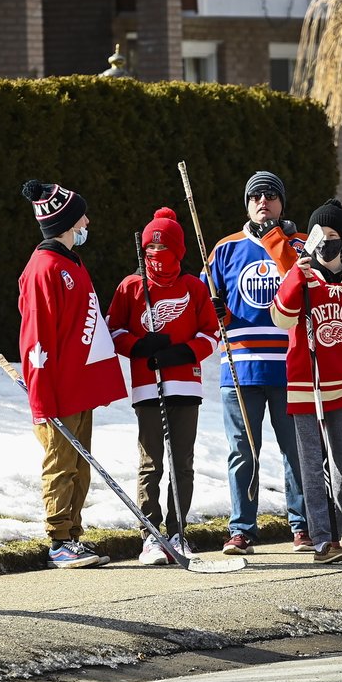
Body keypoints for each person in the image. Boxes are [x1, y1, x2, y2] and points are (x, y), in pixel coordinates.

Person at [18, 179, 128, 569]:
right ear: (64, 221)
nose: (87, 221)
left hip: (78, 385)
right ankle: (58, 539)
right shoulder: (44, 269)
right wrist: (41, 394)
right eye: (81, 215)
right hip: (57, 388)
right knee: (61, 462)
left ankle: (73, 535)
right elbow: (36, 335)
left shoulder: (71, 262)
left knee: (81, 465)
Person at [271, 199, 342, 564]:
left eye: (333, 235)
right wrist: (294, 278)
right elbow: (281, 318)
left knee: (341, 473)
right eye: (321, 235)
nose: (326, 242)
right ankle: (322, 541)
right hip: (306, 389)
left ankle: (337, 532)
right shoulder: (301, 278)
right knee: (311, 468)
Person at [204, 170, 310, 555]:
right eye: (255, 196)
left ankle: (303, 526)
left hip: (289, 368)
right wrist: (210, 309)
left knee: (295, 451)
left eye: (270, 195)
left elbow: (314, 293)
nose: (262, 201)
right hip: (240, 368)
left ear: (282, 203)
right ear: (246, 204)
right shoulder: (224, 249)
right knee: (242, 452)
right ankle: (242, 530)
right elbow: (200, 308)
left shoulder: (298, 246)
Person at [107, 208, 220, 565]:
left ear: (179, 251)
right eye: (150, 252)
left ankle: (178, 532)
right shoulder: (130, 286)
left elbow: (211, 334)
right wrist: (139, 347)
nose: (157, 259)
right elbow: (114, 330)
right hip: (146, 386)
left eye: (164, 251)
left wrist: (183, 353)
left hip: (186, 384)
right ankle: (151, 536)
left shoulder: (194, 287)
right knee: (150, 463)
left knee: (181, 463)